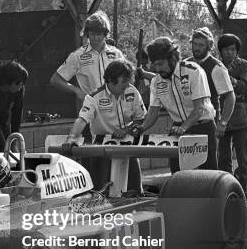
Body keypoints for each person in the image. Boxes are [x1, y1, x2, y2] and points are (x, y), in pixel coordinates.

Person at [63, 59, 147, 194]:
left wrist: (126, 130)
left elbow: (141, 118)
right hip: (102, 148)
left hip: (128, 145)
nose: (127, 84)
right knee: (99, 194)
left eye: (128, 80)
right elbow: (82, 119)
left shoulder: (132, 91)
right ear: (110, 80)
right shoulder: (94, 97)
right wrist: (71, 138)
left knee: (135, 191)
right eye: (123, 81)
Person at [133, 37, 217, 171]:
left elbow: (199, 108)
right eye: (155, 65)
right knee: (178, 176)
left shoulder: (194, 71)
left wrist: (183, 128)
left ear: (172, 59)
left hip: (203, 128)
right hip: (177, 130)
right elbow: (153, 112)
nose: (157, 69)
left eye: (161, 64)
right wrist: (141, 128)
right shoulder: (156, 81)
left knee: (208, 176)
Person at [50, 10, 124, 119]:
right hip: (90, 113)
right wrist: (76, 90)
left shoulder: (116, 54)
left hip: (116, 111)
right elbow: (55, 80)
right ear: (87, 33)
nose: (95, 38)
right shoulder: (77, 56)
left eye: (99, 34)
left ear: (105, 34)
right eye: (92, 34)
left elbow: (127, 79)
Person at [217, 34, 247, 200]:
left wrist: (229, 79)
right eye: (226, 49)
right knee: (223, 158)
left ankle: (246, 191)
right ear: (221, 50)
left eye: (232, 49)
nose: (229, 52)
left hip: (241, 117)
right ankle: (227, 191)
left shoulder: (244, 65)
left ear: (237, 50)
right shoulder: (216, 66)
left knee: (243, 158)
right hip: (222, 118)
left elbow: (245, 87)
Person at [184, 27, 235, 142]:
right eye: (195, 44)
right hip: (187, 121)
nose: (197, 48)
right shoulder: (186, 64)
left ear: (209, 46)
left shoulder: (216, 67)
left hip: (208, 121)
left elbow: (230, 97)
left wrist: (223, 123)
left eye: (201, 45)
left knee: (208, 158)